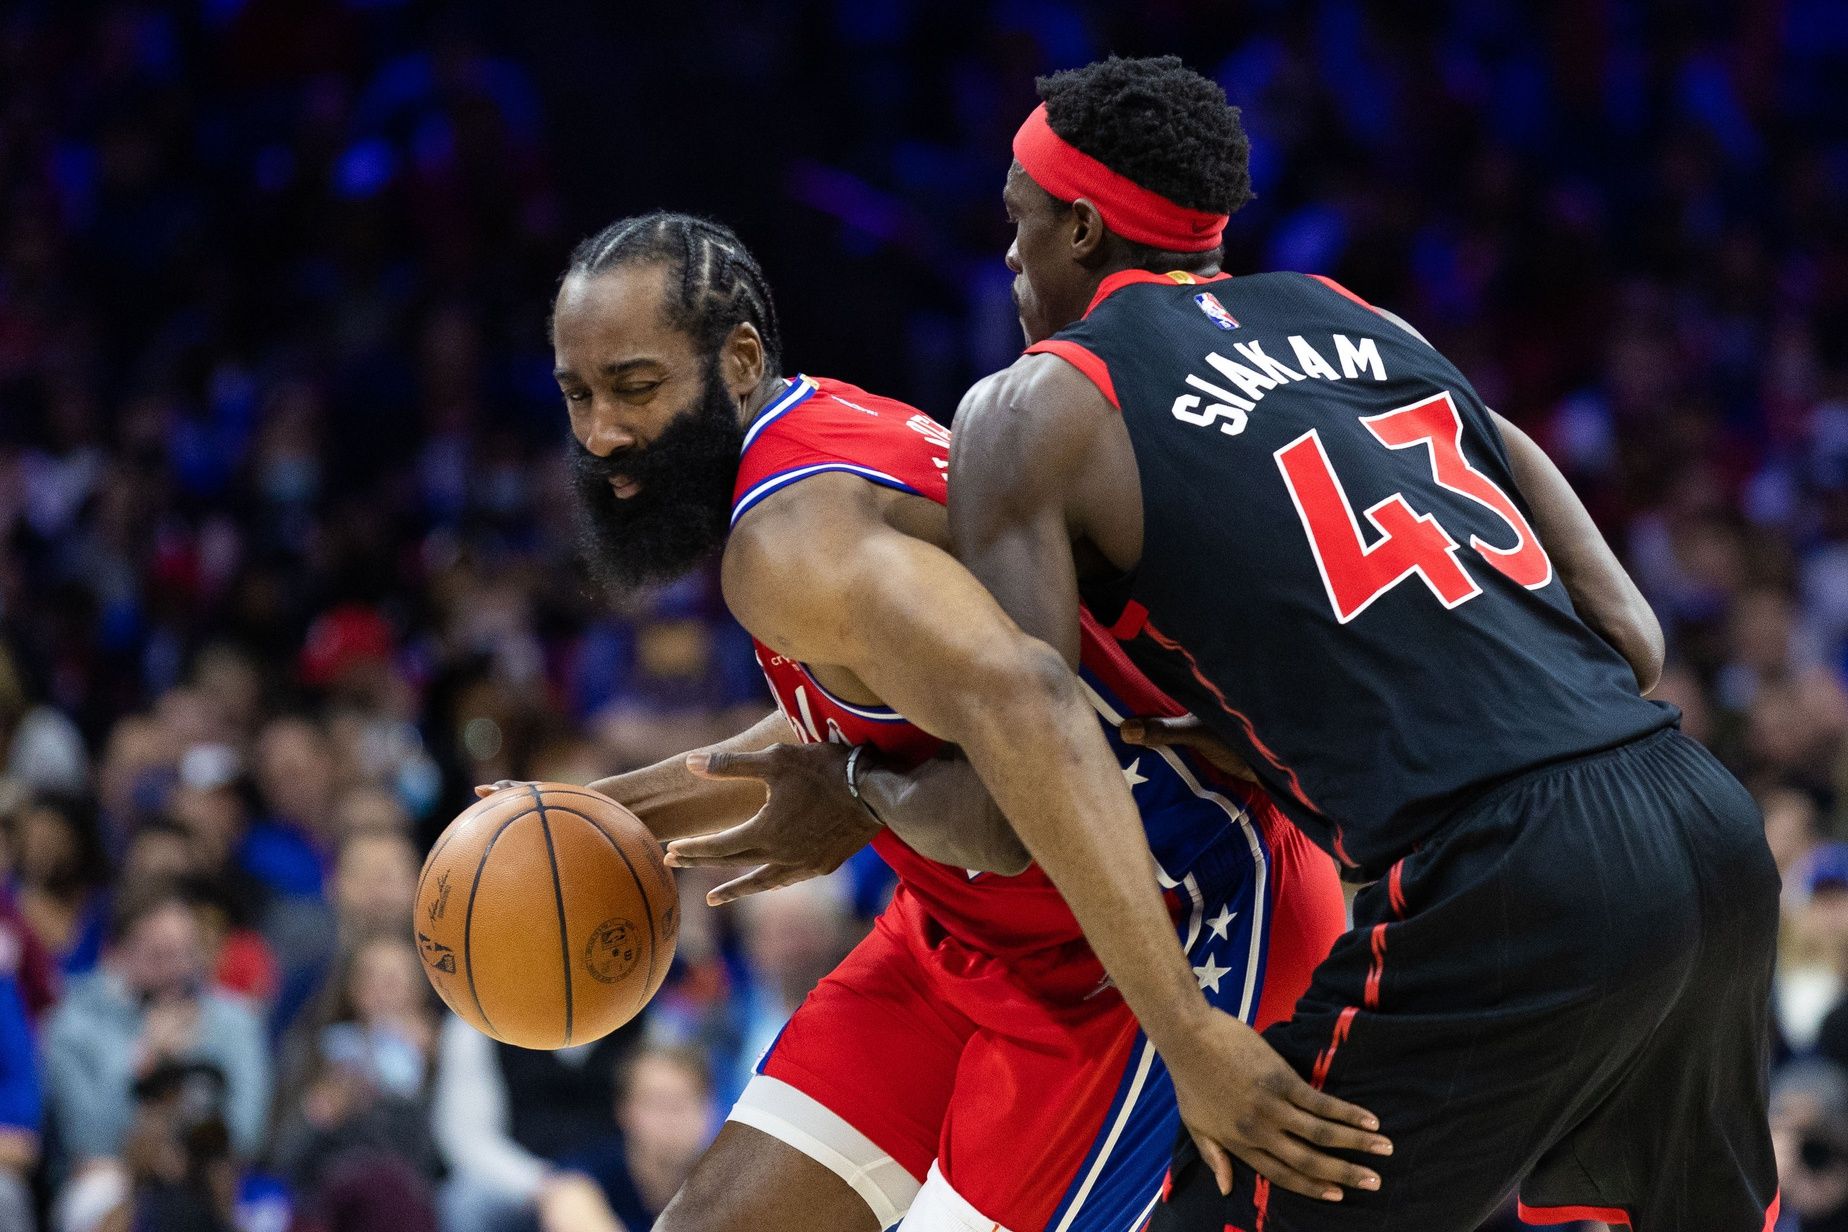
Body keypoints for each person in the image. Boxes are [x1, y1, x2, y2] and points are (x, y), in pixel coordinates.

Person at [902, 54, 1771, 1231]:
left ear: (1085, 226)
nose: (1008, 257)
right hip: (1702, 821)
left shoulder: (1035, 407)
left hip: (1509, 871)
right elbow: (1630, 632)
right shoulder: (1367, 320)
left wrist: (853, 777)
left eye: (1018, 221)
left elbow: (1018, 795)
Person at [494, 209, 1349, 1232]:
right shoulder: (810, 444)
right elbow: (869, 714)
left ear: (739, 360)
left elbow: (1023, 743)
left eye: (636, 387)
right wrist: (605, 811)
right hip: (966, 931)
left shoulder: (791, 542)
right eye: (578, 394)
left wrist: (1189, 1030)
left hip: (1152, 937)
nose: (601, 433)